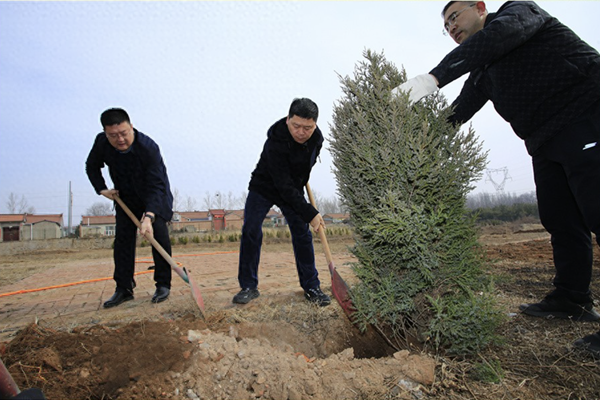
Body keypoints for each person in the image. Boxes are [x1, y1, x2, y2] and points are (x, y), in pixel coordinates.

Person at [394, 1, 600, 356]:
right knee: (561, 219)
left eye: (454, 17)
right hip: (546, 139)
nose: (451, 28)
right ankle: (572, 297)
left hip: (588, 110)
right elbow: (457, 113)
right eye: (445, 26)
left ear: (480, 7)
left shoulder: (518, 14)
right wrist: (415, 142)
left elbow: (498, 37)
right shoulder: (484, 70)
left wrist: (433, 78)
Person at [233, 98, 331, 307]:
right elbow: (282, 184)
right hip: (264, 186)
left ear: (315, 125)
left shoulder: (317, 139)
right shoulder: (275, 141)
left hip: (292, 186)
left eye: (308, 128)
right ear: (288, 119)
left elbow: (305, 167)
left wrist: (301, 181)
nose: (301, 132)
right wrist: (310, 212)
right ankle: (248, 286)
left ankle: (311, 286)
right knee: (251, 229)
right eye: (296, 126)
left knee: (302, 232)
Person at [86, 108, 174, 308]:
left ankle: (163, 284)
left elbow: (157, 185)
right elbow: (91, 166)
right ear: (105, 133)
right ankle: (124, 288)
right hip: (125, 199)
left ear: (131, 127)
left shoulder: (148, 148)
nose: (120, 140)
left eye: (124, 134)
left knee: (158, 236)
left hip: (154, 197)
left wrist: (149, 216)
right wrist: (101, 189)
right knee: (123, 242)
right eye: (113, 136)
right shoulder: (101, 143)